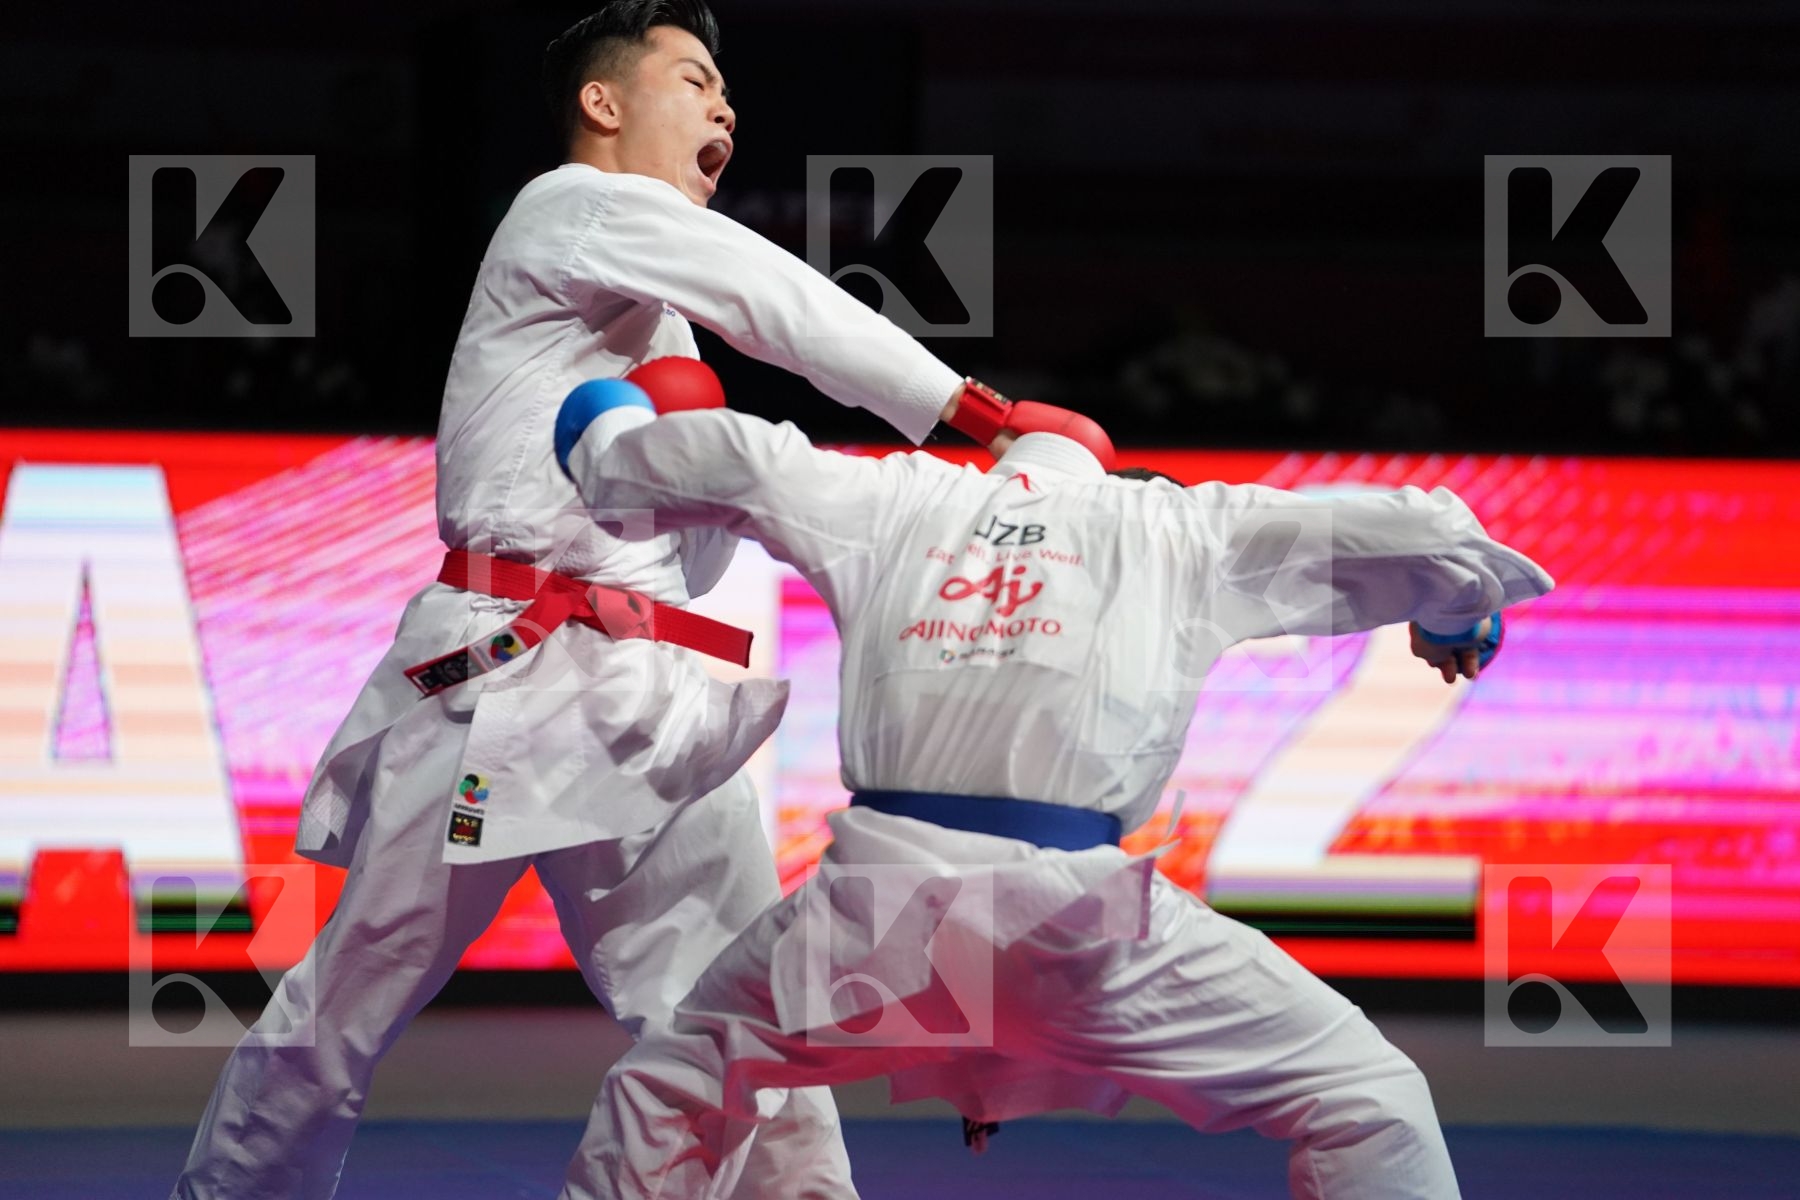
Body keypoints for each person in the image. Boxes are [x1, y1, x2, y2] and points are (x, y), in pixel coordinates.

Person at [171, 4, 1087, 1197]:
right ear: (604, 104)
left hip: (642, 692)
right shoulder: (573, 207)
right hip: (497, 681)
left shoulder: (643, 307)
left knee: (741, 1013)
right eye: (696, 80)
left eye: (728, 92)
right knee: (348, 1001)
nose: (728, 109)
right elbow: (780, 300)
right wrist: (975, 413)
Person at [547, 371, 1553, 1200]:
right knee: (1364, 1094)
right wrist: (1457, 610)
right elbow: (1426, 526)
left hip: (874, 908)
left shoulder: (897, 496)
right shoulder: (1180, 526)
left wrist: (605, 431)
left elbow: (741, 458)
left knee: (678, 1080)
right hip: (1073, 918)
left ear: (1003, 457)